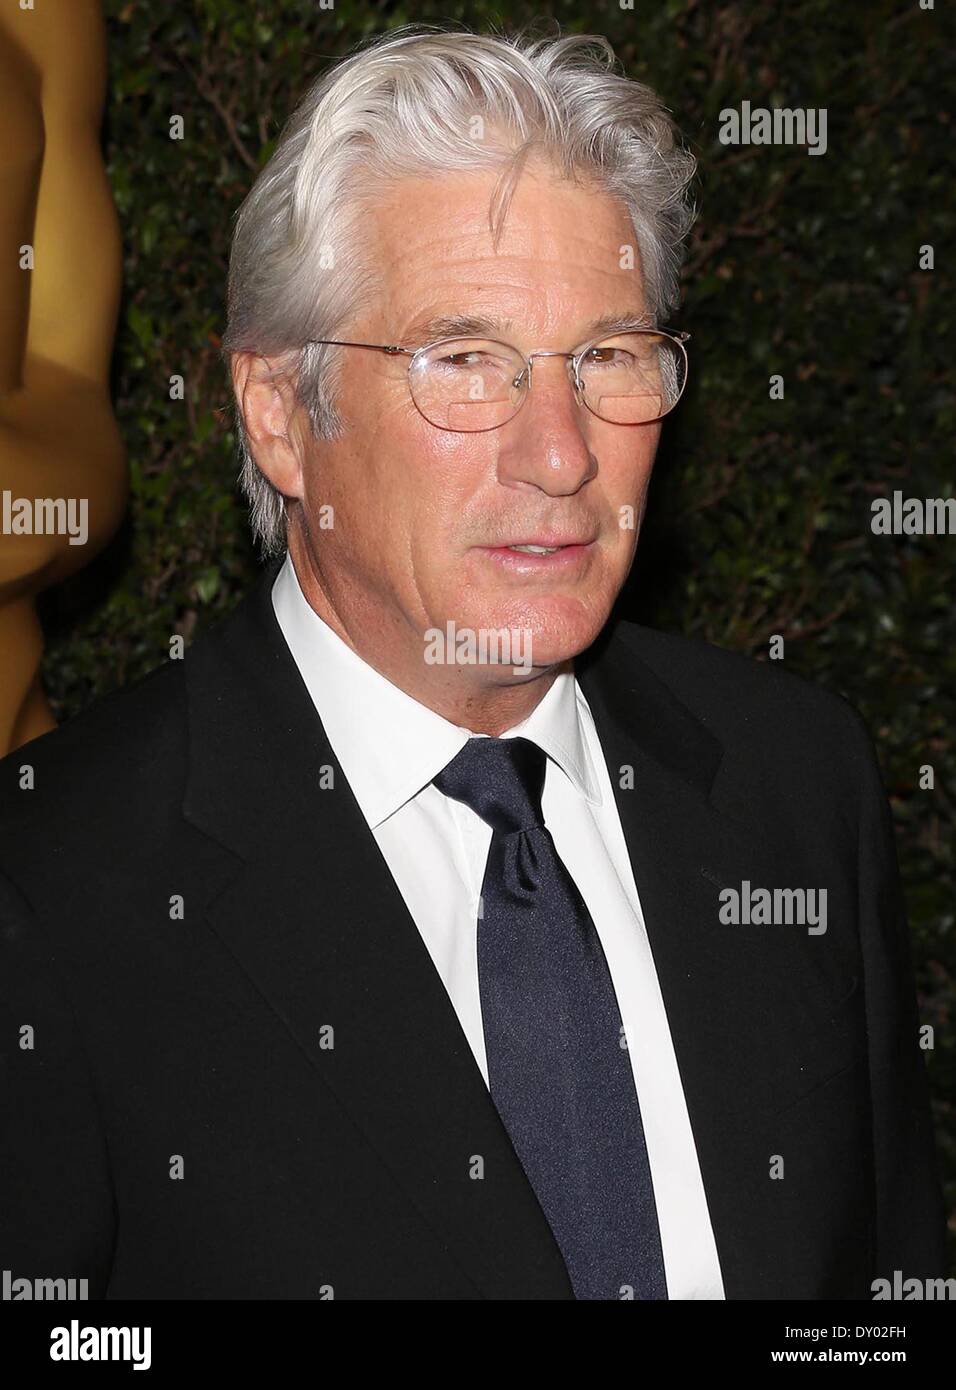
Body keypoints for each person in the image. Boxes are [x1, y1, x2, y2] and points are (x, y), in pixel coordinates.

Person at [0, 24, 945, 1300]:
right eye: (463, 361)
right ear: (279, 413)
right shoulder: (53, 891)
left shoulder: (793, 782)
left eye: (607, 357)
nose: (560, 453)